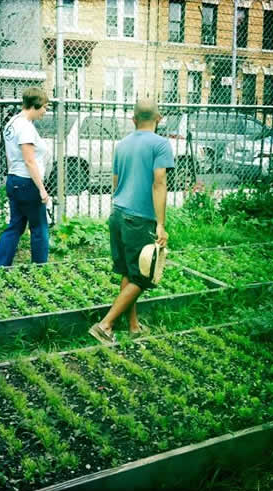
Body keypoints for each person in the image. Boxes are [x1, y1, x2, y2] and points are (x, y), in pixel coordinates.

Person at [88, 99, 174, 344]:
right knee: (143, 277)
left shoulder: (122, 145)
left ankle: (133, 326)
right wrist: (160, 223)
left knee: (128, 271)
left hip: (118, 214)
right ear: (159, 118)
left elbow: (115, 182)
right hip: (140, 218)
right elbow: (159, 183)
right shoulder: (160, 144)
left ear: (133, 120)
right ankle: (105, 325)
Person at [0, 87, 50, 267]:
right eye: (45, 107)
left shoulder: (12, 123)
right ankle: (40, 267)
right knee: (39, 228)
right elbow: (29, 160)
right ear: (36, 104)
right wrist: (41, 189)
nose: (45, 111)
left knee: (15, 227)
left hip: (14, 180)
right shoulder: (25, 127)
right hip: (28, 183)